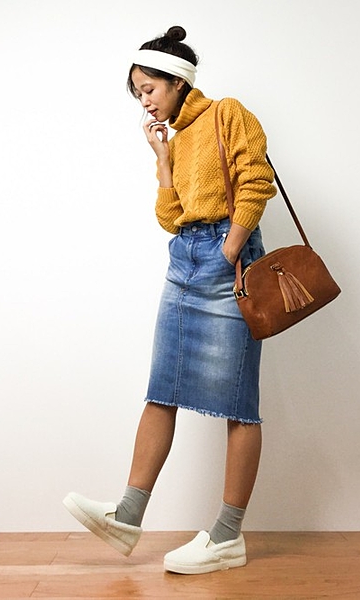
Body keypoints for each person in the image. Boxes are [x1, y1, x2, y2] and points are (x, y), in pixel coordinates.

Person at [63, 25, 276, 575]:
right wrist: (161, 157)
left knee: (238, 402)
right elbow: (170, 217)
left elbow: (256, 180)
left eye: (149, 89)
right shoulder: (175, 139)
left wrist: (232, 248)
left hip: (228, 260)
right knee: (162, 388)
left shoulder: (228, 113)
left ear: (178, 81)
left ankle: (227, 535)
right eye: (138, 93)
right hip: (183, 259)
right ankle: (127, 515)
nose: (144, 100)